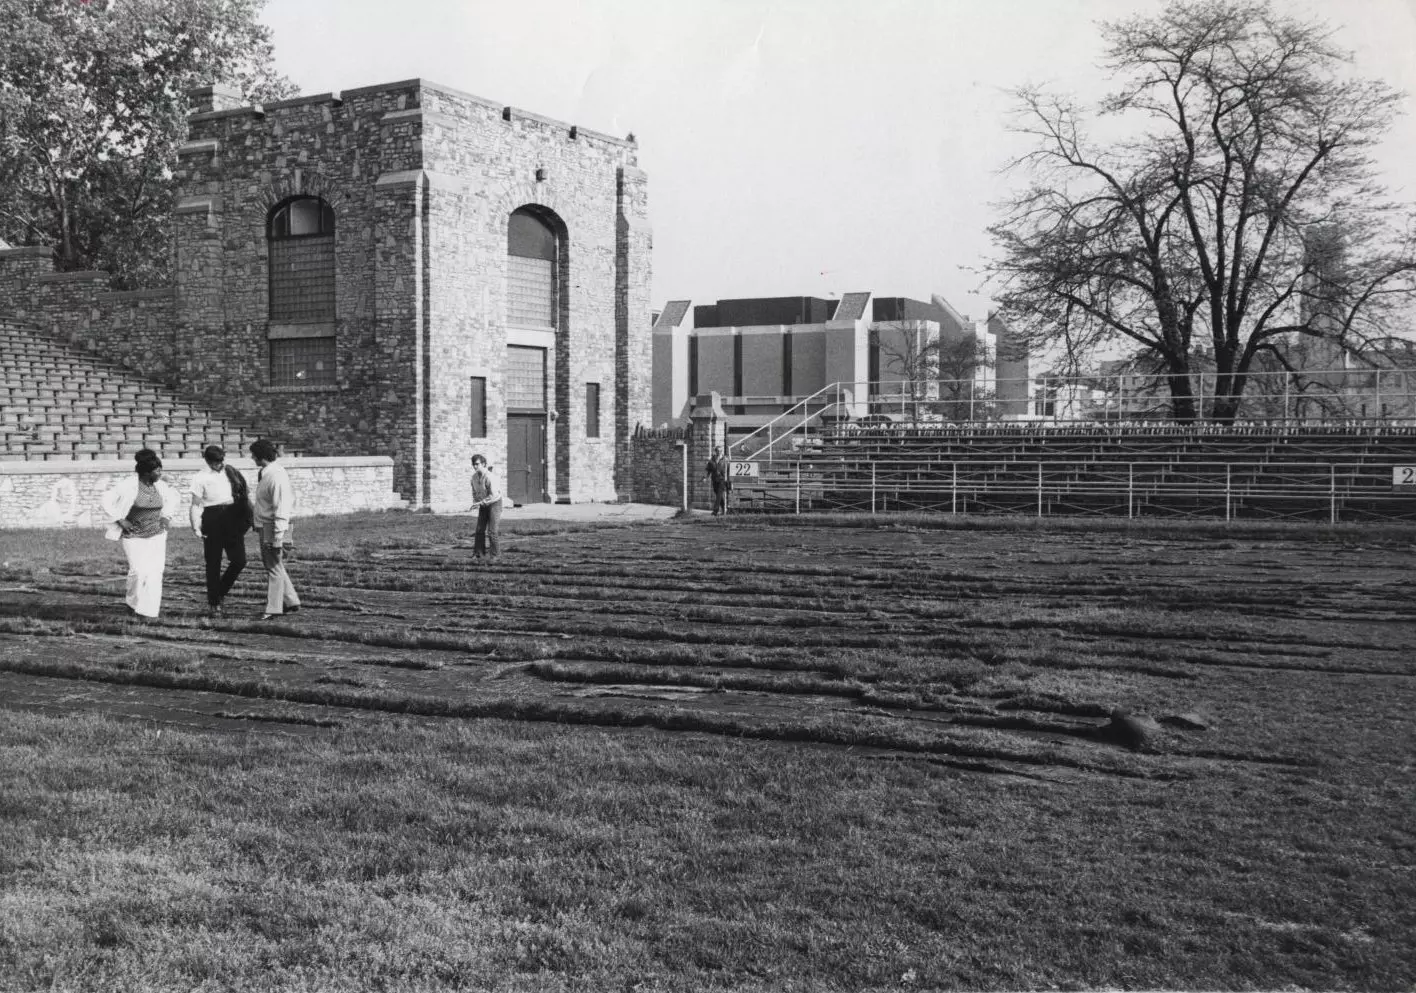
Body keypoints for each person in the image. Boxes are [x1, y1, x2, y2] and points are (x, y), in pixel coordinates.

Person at [100, 449, 181, 620]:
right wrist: (120, 520)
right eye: (157, 471)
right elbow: (106, 499)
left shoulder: (160, 486)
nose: (160, 473)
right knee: (138, 571)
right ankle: (132, 603)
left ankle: (148, 612)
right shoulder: (128, 485)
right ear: (146, 472)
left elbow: (173, 498)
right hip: (134, 535)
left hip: (157, 535)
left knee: (155, 572)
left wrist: (166, 516)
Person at [188, 444, 251, 617]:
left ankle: (219, 592)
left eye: (221, 460)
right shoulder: (200, 477)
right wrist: (196, 525)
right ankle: (214, 602)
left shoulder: (231, 472)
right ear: (208, 461)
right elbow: (196, 503)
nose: (219, 464)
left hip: (232, 517)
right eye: (215, 462)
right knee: (213, 563)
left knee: (239, 560)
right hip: (212, 518)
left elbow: (243, 493)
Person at [250, 439, 301, 621]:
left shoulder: (275, 476)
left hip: (274, 525)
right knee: (276, 564)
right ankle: (291, 599)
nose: (252, 458)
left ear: (260, 457)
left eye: (253, 455)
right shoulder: (270, 473)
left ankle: (273, 608)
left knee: (272, 566)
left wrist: (278, 536)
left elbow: (281, 507)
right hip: (273, 524)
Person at [470, 453, 502, 560]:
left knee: (492, 531)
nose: (475, 466)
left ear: (483, 464)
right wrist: (476, 502)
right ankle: (479, 553)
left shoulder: (489, 477)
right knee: (479, 529)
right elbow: (475, 492)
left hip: (494, 503)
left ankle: (495, 555)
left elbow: (494, 495)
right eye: (473, 464)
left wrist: (480, 503)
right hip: (483, 504)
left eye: (477, 464)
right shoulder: (474, 478)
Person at [705, 445, 732, 516]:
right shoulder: (712, 459)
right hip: (714, 479)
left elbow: (729, 470)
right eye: (717, 451)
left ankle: (715, 511)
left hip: (722, 479)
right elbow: (709, 470)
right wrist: (706, 478)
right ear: (715, 451)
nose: (719, 452)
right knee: (718, 495)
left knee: (719, 494)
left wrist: (729, 480)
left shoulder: (725, 459)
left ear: (722, 451)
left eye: (720, 451)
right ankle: (723, 509)